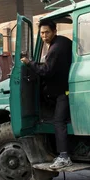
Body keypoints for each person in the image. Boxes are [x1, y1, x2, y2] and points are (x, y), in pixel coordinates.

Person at [21, 21, 73, 170]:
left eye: (47, 33)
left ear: (54, 31)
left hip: (63, 92)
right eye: (42, 33)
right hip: (65, 88)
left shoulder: (55, 48)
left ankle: (64, 156)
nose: (44, 36)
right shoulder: (63, 41)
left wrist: (29, 63)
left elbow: (46, 71)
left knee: (58, 122)